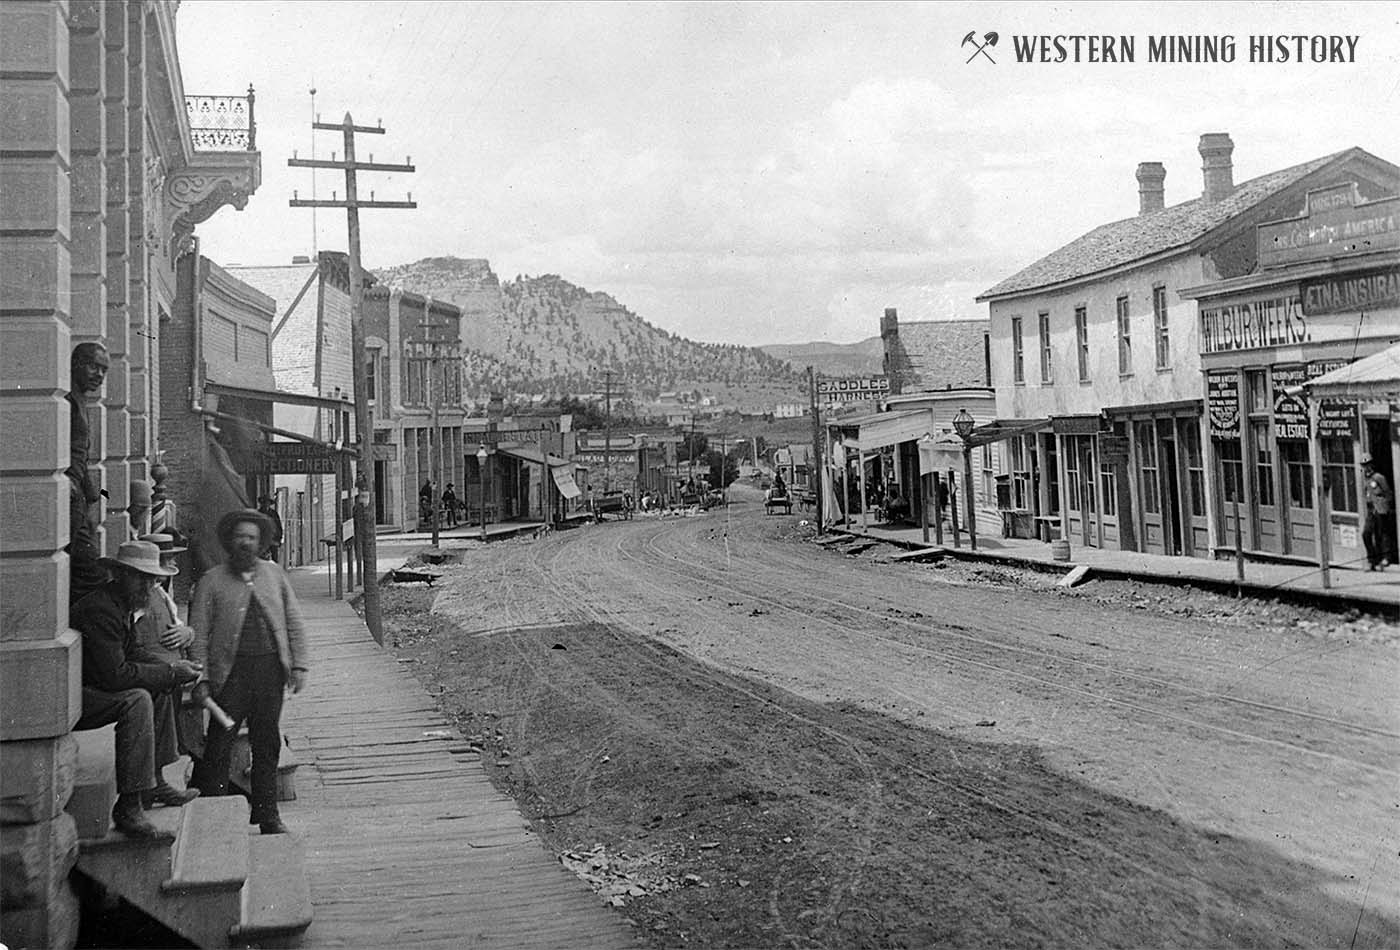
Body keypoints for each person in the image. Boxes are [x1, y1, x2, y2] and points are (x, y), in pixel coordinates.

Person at [71, 540, 203, 837]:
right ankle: (128, 807)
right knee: (137, 700)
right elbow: (116, 677)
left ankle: (153, 782)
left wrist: (171, 672)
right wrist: (168, 671)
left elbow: (133, 654)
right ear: (120, 575)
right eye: (141, 578)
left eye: (152, 579)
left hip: (92, 689)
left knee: (160, 685)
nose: (149, 586)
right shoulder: (101, 610)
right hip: (72, 699)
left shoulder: (120, 605)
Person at [190, 509, 309, 835]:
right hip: (230, 676)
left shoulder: (274, 575)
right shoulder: (211, 581)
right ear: (230, 541)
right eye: (240, 536)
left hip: (270, 671)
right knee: (219, 744)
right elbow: (198, 633)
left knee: (266, 741)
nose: (245, 542)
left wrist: (299, 664)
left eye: (251, 538)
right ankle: (215, 819)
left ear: (261, 543)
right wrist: (200, 678)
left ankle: (267, 815)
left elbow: (294, 620)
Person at [135, 532, 205, 786]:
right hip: (154, 672)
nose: (169, 564)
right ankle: (157, 782)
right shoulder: (139, 597)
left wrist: (188, 633)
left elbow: (176, 624)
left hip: (172, 672)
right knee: (158, 732)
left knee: (173, 729)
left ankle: (169, 775)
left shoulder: (161, 593)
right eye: (165, 558)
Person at [67, 342, 110, 603]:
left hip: (79, 499)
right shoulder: (67, 398)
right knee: (90, 569)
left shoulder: (80, 399)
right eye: (94, 366)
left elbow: (81, 457)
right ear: (76, 364)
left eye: (104, 370)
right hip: (69, 497)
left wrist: (96, 495)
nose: (99, 375)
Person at [1362, 454, 1396, 571]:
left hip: (1381, 509)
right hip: (1371, 510)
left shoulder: (1379, 477)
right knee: (1366, 534)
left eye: (1368, 465)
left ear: (1372, 465)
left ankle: (1386, 557)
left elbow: (1388, 493)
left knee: (1382, 534)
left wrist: (1386, 507)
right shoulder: (1366, 479)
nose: (1366, 468)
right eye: (1364, 465)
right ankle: (1372, 559)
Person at [257, 495, 284, 562]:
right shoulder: (258, 513)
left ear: (269, 504)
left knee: (275, 558)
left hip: (273, 539)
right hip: (262, 540)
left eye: (267, 502)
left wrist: (279, 538)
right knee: (262, 558)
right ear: (261, 504)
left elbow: (278, 526)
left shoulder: (274, 513)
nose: (265, 504)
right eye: (263, 502)